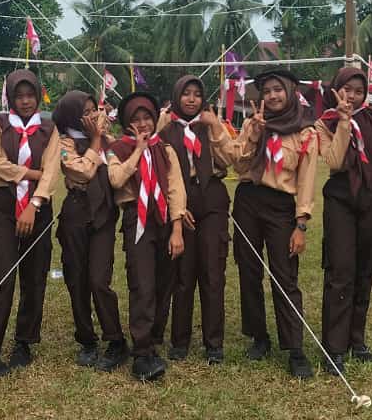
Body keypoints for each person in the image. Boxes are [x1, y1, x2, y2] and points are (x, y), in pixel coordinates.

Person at [315, 66, 372, 372]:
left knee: (366, 270)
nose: (352, 96)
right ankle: (334, 346)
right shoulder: (324, 123)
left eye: (358, 90)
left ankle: (357, 339)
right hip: (341, 195)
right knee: (340, 270)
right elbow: (334, 160)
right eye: (346, 90)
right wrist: (343, 122)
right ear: (335, 90)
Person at [230, 70, 319, 379]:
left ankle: (295, 349)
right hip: (248, 201)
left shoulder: (306, 131)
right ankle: (259, 337)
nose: (272, 96)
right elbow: (237, 163)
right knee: (249, 271)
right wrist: (254, 133)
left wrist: (301, 224)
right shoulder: (252, 124)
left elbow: (306, 181)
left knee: (285, 276)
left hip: (282, 207)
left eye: (278, 90)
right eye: (266, 91)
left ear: (290, 91)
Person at [0, 70, 61, 378]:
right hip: (3, 207)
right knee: (5, 276)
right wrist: (31, 174)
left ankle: (24, 342)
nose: (25, 101)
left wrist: (34, 204)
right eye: (19, 96)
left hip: (38, 209)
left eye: (30, 95)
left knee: (35, 277)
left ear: (38, 95)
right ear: (10, 97)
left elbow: (51, 170)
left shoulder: (50, 129)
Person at [108, 92, 186, 381]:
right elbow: (116, 179)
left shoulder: (165, 149)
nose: (142, 124)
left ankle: (154, 340)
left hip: (165, 218)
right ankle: (141, 353)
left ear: (154, 119)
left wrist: (177, 229)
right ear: (127, 122)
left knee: (165, 280)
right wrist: (139, 151)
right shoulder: (117, 148)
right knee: (142, 283)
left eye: (147, 118)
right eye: (135, 119)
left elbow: (177, 188)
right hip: (137, 220)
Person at [158, 76, 234, 365]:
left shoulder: (210, 125)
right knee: (183, 274)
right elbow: (160, 169)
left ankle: (214, 343)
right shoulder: (167, 129)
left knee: (213, 272)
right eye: (186, 94)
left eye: (197, 95)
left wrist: (215, 127)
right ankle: (180, 340)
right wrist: (176, 207)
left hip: (212, 196)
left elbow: (229, 159)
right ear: (177, 96)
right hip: (181, 196)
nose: (191, 99)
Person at [52, 91, 127, 371]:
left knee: (99, 279)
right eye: (85, 112)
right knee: (76, 278)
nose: (93, 116)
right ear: (72, 116)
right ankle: (86, 339)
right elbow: (81, 172)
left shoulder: (110, 141)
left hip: (104, 214)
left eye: (94, 109)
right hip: (76, 212)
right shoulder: (64, 143)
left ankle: (116, 340)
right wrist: (95, 142)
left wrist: (102, 141)